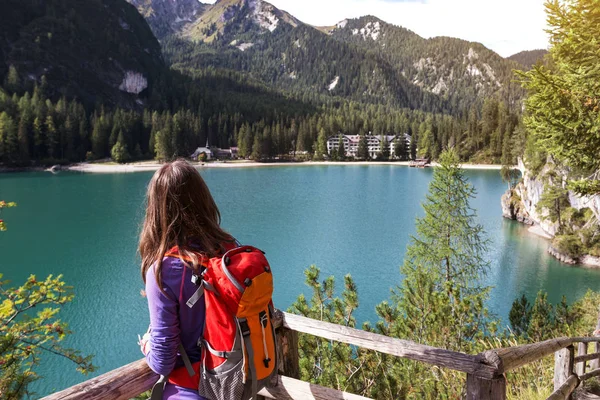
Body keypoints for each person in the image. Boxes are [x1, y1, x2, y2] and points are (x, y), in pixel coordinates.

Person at [138, 160, 235, 400]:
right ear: (204, 199)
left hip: (192, 390)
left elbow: (163, 361)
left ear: (157, 209)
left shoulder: (164, 269)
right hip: (235, 381)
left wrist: (148, 345)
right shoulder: (229, 250)